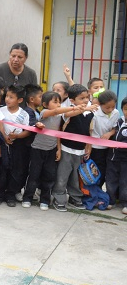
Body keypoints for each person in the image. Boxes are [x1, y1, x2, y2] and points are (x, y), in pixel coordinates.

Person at [23, 91, 77, 210]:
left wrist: (58, 149)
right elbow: (57, 111)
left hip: (51, 150)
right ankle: (27, 198)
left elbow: (58, 133)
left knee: (49, 176)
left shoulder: (60, 117)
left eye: (60, 102)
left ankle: (45, 200)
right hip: (37, 149)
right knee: (34, 175)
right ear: (45, 104)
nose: (58, 105)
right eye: (55, 102)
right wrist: (75, 107)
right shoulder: (44, 113)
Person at [52, 84, 98, 212]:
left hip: (80, 151)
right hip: (67, 149)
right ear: (72, 101)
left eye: (86, 97)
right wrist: (86, 107)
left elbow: (89, 131)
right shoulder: (68, 110)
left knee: (75, 177)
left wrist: (89, 146)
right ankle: (59, 198)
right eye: (81, 98)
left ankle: (74, 197)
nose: (85, 100)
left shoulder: (89, 114)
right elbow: (74, 112)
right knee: (62, 176)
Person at [0, 85, 31, 207]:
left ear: (20, 100)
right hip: (3, 144)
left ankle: (11, 194)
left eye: (11, 97)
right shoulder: (0, 111)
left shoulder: (24, 114)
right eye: (7, 96)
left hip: (18, 145)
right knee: (2, 170)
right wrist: (4, 136)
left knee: (15, 171)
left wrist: (17, 136)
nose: (7, 99)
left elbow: (28, 131)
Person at [90, 90, 119, 187]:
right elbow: (89, 131)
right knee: (94, 170)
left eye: (113, 107)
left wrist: (109, 133)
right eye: (107, 107)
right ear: (100, 105)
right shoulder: (94, 113)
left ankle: (98, 190)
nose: (110, 109)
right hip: (95, 147)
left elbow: (115, 128)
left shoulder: (116, 113)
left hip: (107, 147)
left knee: (103, 170)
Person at [106, 96, 127, 214]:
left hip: (125, 160)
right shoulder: (118, 121)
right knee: (110, 179)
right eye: (126, 109)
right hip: (113, 157)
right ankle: (110, 200)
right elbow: (113, 131)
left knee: (125, 181)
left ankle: (125, 202)